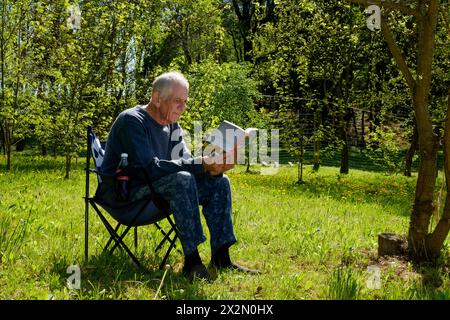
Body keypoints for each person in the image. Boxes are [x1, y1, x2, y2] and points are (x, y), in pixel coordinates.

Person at [96, 71, 260, 281]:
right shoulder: (132, 121)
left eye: (185, 102)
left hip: (159, 194)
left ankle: (221, 257)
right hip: (127, 197)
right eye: (177, 101)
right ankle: (192, 263)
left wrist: (213, 166)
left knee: (219, 183)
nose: (182, 108)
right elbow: (150, 168)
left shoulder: (172, 126)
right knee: (183, 179)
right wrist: (199, 163)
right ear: (157, 98)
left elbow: (186, 160)